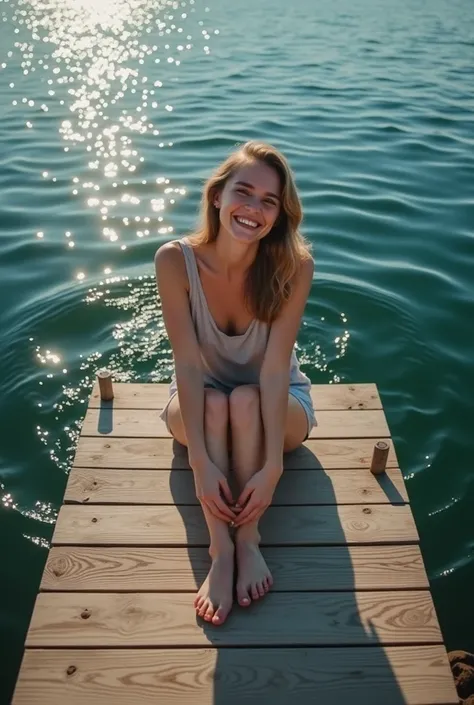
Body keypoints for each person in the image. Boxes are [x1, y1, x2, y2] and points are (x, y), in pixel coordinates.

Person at [154, 140, 316, 626]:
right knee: (214, 402)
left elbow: (273, 369)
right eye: (243, 192)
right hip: (199, 400)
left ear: (280, 214)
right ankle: (220, 548)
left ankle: (249, 540)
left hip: (278, 405)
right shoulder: (174, 261)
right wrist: (200, 461)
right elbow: (185, 362)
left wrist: (272, 468)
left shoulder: (294, 266)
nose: (254, 209)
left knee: (244, 399)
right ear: (217, 196)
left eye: (269, 201)